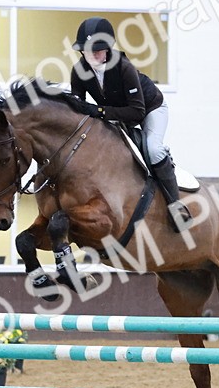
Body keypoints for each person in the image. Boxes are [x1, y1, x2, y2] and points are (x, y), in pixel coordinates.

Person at [69, 17, 192, 230]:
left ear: (108, 49)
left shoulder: (124, 67)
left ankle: (175, 206)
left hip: (149, 109)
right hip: (117, 113)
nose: (92, 56)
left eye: (97, 50)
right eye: (87, 51)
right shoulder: (79, 71)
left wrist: (99, 111)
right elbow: (78, 107)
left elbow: (137, 112)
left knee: (153, 150)